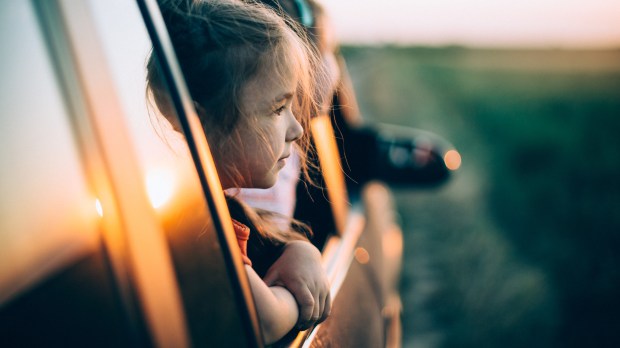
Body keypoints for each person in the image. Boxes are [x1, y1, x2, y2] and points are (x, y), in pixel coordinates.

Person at [145, 0, 330, 343]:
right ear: (201, 123)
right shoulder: (200, 231)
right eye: (278, 109)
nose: (296, 129)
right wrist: (296, 297)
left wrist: (302, 251)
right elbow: (259, 321)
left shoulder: (215, 213)